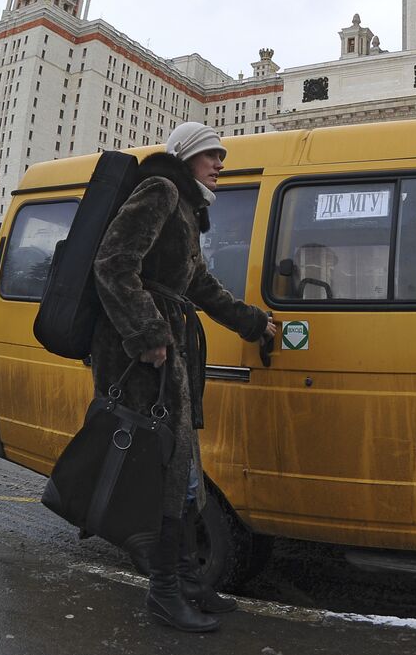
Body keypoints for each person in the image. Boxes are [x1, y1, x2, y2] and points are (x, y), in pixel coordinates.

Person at [92, 122, 277, 632]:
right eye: (211, 155)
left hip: (171, 357)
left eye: (221, 156)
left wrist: (251, 320)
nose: (220, 164)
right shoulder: (161, 190)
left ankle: (188, 580)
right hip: (141, 363)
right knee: (165, 475)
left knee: (184, 473)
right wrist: (148, 333)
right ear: (186, 158)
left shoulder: (186, 210)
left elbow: (197, 283)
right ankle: (164, 594)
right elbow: (112, 263)